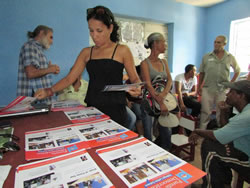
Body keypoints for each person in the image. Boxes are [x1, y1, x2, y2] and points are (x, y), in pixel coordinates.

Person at [35, 6, 141, 126]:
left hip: (115, 109)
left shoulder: (122, 50)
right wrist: (48, 91)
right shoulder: (86, 52)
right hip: (93, 108)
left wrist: (136, 88)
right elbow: (70, 78)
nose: (94, 35)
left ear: (110, 28)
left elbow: (135, 78)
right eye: (91, 30)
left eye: (99, 31)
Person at [189, 80, 250, 188]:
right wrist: (223, 111)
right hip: (243, 149)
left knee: (211, 151)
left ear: (241, 95)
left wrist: (196, 131)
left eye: (231, 91)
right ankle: (223, 183)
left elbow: (216, 135)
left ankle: (210, 185)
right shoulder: (245, 111)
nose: (227, 94)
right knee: (213, 144)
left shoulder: (246, 117)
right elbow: (225, 130)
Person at [140, 32, 179, 150]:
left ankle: (164, 154)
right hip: (149, 103)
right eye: (163, 42)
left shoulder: (164, 62)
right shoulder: (144, 63)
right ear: (155, 44)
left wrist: (163, 95)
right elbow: (148, 84)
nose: (165, 45)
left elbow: (169, 80)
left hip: (163, 100)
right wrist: (160, 102)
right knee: (148, 134)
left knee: (167, 133)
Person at [198, 35, 240, 129]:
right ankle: (202, 132)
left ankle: (219, 133)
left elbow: (237, 71)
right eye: (215, 42)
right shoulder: (206, 57)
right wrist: (199, 87)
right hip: (208, 88)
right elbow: (201, 73)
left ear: (224, 44)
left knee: (221, 112)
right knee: (205, 112)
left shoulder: (230, 57)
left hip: (222, 89)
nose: (216, 44)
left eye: (219, 42)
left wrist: (231, 84)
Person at [17, 25, 60, 104]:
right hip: (32, 101)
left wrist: (48, 69)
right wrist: (49, 69)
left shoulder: (37, 49)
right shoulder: (30, 47)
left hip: (38, 100)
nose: (52, 42)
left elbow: (36, 72)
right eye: (50, 37)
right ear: (41, 33)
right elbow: (31, 73)